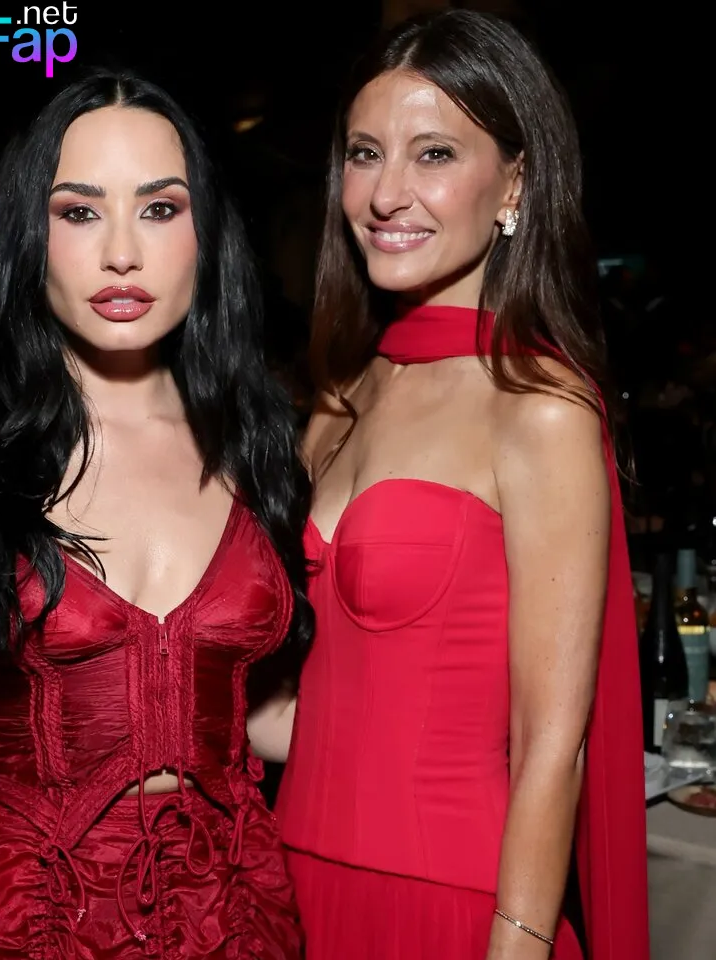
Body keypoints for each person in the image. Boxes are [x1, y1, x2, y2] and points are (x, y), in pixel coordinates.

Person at [0, 68, 312, 959]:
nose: (121, 252)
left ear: (207, 236)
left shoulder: (262, 454)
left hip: (235, 919)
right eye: (80, 212)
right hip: (20, 923)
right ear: (30, 237)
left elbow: (256, 713)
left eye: (160, 209)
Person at [270, 10, 649, 960]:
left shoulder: (539, 409)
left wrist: (516, 944)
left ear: (513, 181)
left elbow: (551, 743)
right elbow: (313, 709)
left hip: (453, 911)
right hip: (288, 890)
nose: (386, 193)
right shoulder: (341, 396)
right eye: (364, 154)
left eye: (432, 153)